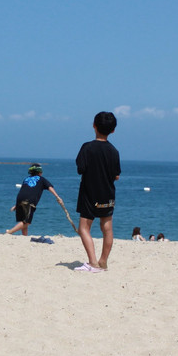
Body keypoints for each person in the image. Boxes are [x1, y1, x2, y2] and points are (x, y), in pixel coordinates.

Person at [74, 111, 120, 272]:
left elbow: (81, 169)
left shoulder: (87, 148)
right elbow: (116, 175)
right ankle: (103, 261)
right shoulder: (114, 151)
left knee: (84, 228)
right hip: (107, 194)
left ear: (94, 126)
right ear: (113, 130)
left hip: (89, 193)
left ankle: (93, 262)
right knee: (107, 228)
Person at [6, 163, 63, 236]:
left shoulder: (26, 179)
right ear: (40, 172)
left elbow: (24, 191)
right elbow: (50, 187)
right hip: (29, 201)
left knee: (23, 220)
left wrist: (16, 205)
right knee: (27, 222)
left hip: (19, 199)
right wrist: (57, 197)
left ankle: (24, 237)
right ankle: (9, 232)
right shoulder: (42, 179)